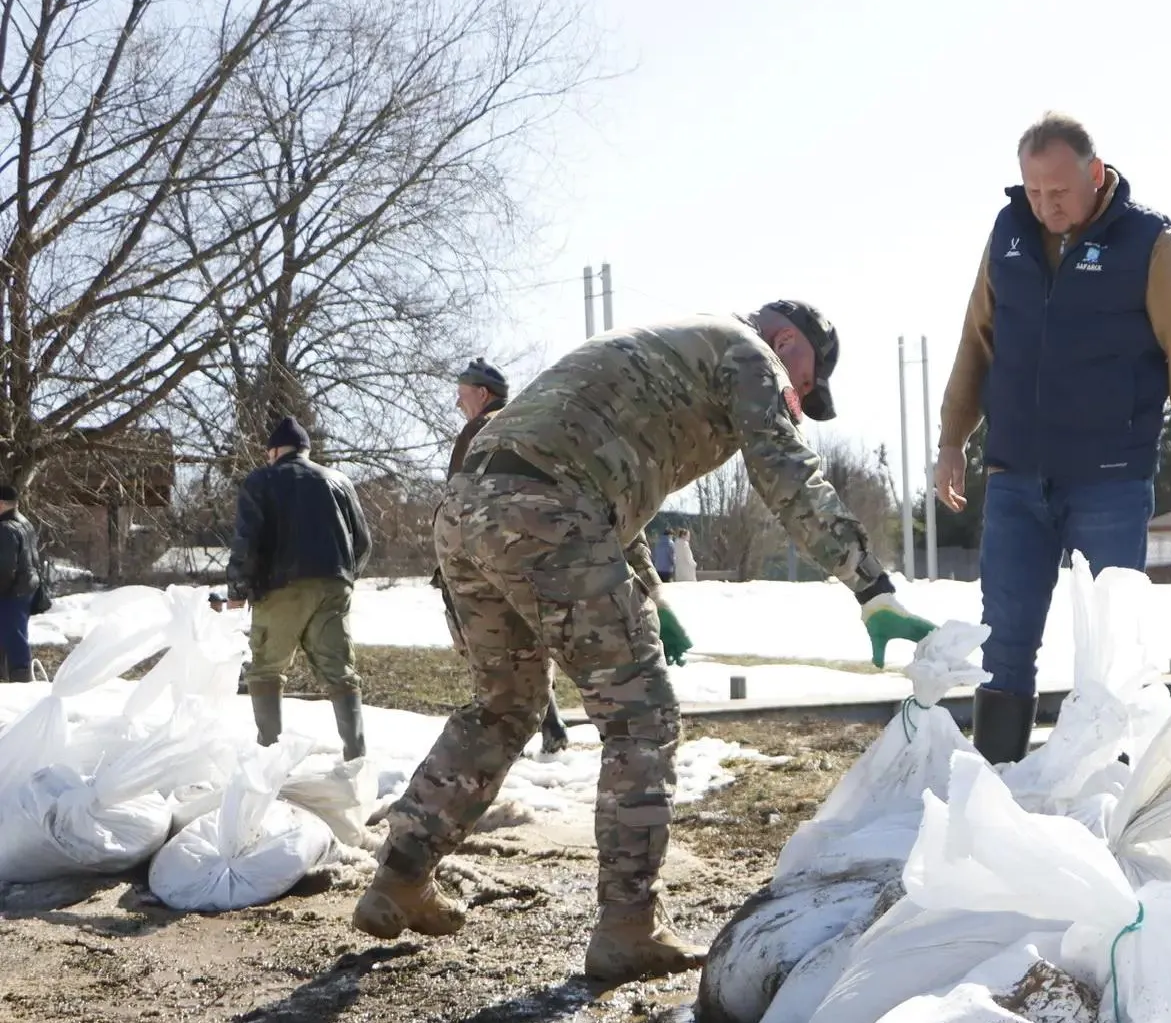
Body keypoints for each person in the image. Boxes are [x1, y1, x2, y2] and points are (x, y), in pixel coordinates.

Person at [353, 302, 936, 984]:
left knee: (504, 707)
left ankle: (399, 878)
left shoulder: (665, 345)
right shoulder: (751, 355)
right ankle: (628, 924)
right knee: (641, 719)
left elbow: (593, 476)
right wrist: (872, 588)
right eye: (808, 379)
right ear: (786, 342)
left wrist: (653, 595)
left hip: (466, 508)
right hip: (549, 511)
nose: (801, 395)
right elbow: (784, 474)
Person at [934, 112, 1171, 764]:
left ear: (1095, 174)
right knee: (1004, 642)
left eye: (1058, 191)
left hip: (1109, 480)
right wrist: (952, 440)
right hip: (1014, 478)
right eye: (1033, 192)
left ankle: (1109, 799)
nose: (1045, 205)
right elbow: (976, 344)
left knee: (1108, 655)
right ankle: (996, 793)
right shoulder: (1008, 235)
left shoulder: (1149, 241)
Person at [441, 359, 571, 757]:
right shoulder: (532, 425)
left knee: (493, 658)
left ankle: (502, 741)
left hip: (483, 558)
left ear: (482, 394)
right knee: (530, 641)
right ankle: (551, 726)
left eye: (462, 394)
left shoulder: (479, 429)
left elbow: (458, 499)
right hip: (533, 558)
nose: (458, 402)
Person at [227, 417, 373, 761]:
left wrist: (237, 587)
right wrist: (345, 577)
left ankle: (269, 761)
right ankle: (357, 758)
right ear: (305, 450)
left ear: (275, 451)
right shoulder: (339, 481)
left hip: (280, 588)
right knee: (340, 672)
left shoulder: (261, 480)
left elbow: (246, 541)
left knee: (266, 670)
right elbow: (363, 542)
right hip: (333, 585)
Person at [0, 483, 42, 683]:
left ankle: (21, 684)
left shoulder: (4, 528)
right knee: (13, 634)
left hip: (10, 591)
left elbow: (5, 567)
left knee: (13, 637)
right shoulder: (24, 522)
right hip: (25, 588)